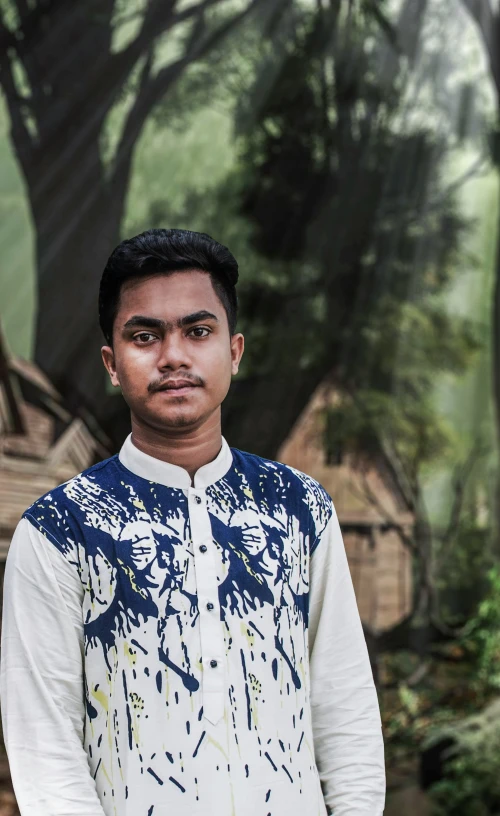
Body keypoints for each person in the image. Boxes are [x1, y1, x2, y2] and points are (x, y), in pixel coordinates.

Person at [0, 228, 385, 815]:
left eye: (198, 331)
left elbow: (344, 703)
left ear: (233, 351)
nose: (173, 356)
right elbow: (45, 746)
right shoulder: (59, 531)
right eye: (145, 335)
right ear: (112, 363)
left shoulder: (298, 507)